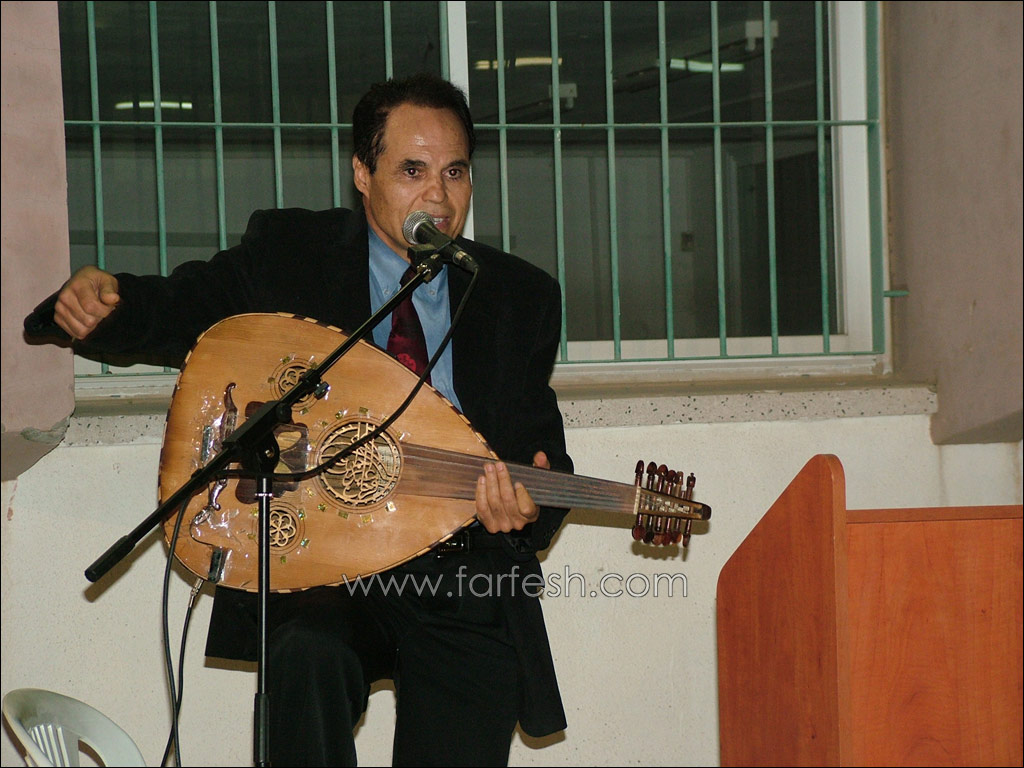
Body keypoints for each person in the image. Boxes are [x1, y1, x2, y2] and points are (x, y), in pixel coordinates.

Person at [37, 73, 573, 766]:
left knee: (474, 676)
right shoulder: (293, 253)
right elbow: (185, 310)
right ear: (362, 173)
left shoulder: (517, 296)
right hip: (323, 563)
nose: (438, 199)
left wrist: (526, 508)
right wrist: (105, 305)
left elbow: (540, 454)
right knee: (306, 651)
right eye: (412, 171)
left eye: (455, 172)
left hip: (456, 566)